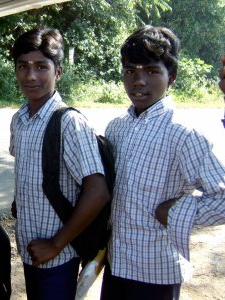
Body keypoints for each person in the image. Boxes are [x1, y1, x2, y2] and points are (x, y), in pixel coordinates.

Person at [101, 25, 225, 300]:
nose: (139, 80)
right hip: (116, 262)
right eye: (131, 70)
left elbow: (223, 198)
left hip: (156, 271)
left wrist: (176, 211)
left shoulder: (183, 132)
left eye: (152, 71)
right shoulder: (117, 127)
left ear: (171, 77)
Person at [9, 27, 110, 300]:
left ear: (59, 72)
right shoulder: (19, 119)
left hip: (59, 253)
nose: (30, 76)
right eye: (23, 66)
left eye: (41, 66)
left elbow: (97, 191)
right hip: (30, 248)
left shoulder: (70, 123)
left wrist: (55, 243)